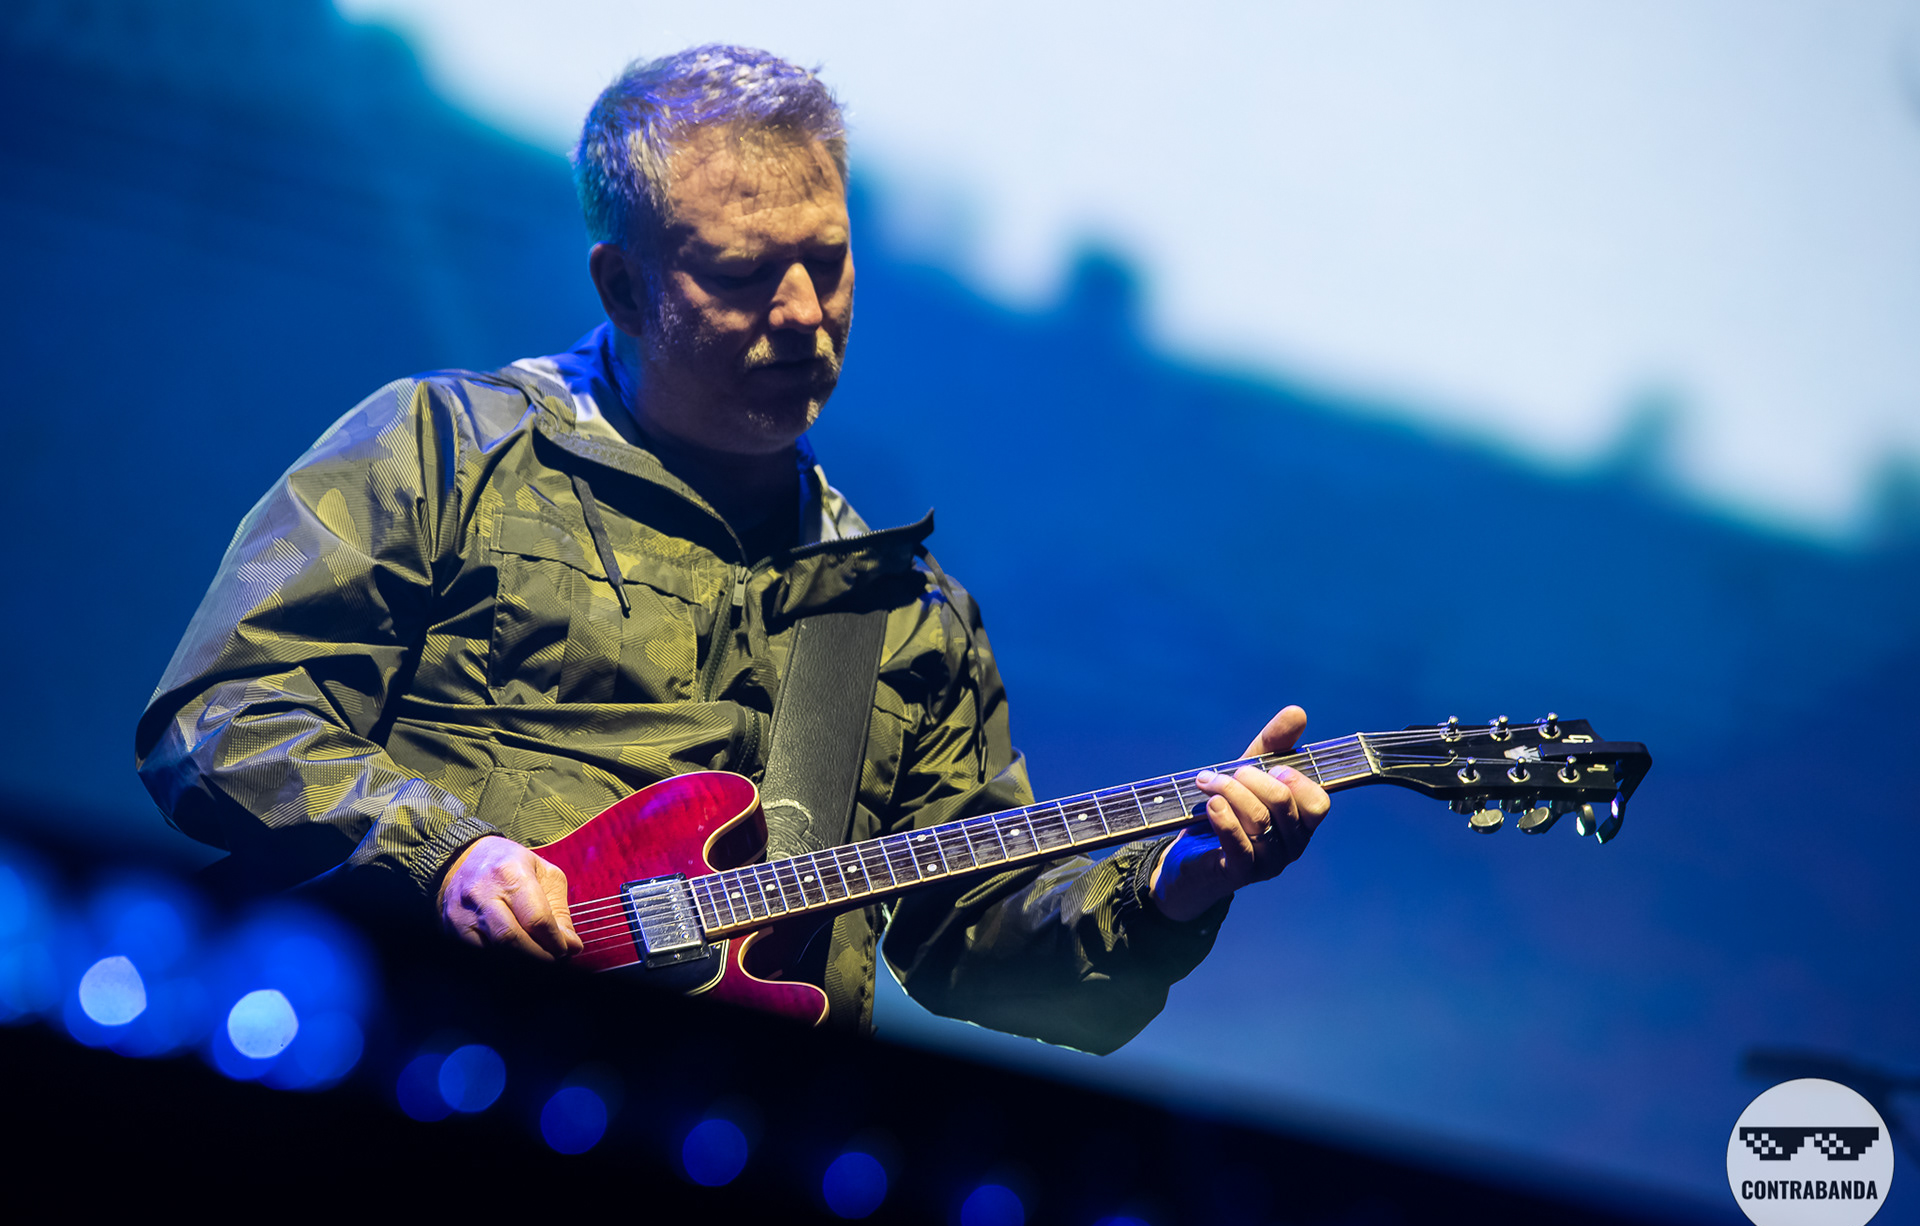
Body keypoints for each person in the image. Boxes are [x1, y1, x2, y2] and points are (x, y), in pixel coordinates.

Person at [134, 46, 1329, 1053]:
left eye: (829, 260)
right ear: (625, 287)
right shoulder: (442, 447)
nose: (805, 313)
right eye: (746, 274)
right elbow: (224, 716)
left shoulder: (902, 612)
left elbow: (980, 948)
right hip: (401, 1051)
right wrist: (447, 855)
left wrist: (1181, 884)